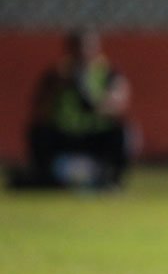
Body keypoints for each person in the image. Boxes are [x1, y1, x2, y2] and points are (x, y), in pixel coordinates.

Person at [10, 29, 132, 189]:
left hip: (95, 136)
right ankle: (44, 175)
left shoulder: (109, 73)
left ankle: (112, 179)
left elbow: (119, 103)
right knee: (38, 131)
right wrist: (57, 87)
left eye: (88, 47)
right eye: (79, 48)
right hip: (64, 135)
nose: (83, 53)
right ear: (70, 50)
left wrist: (92, 100)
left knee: (124, 132)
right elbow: (38, 108)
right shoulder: (57, 74)